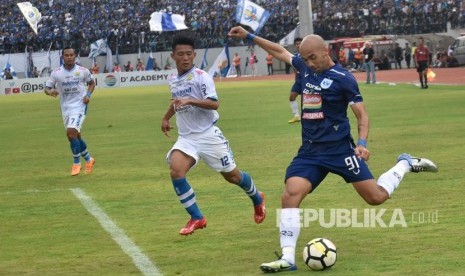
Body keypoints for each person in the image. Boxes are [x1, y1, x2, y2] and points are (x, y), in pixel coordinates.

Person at [228, 26, 438, 273]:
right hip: (310, 152)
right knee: (290, 195)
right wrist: (250, 37)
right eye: (304, 59)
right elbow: (279, 51)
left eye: (312, 57)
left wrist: (362, 144)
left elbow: (361, 115)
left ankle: (404, 163)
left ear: (325, 51)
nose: (308, 63)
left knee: (376, 198)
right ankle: (287, 258)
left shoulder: (344, 78)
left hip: (340, 151)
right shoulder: (305, 67)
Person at [160, 33, 266, 236]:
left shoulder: (202, 77)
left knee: (233, 177)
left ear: (194, 55)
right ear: (173, 56)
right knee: (176, 170)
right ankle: (197, 217)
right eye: (180, 54)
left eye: (189, 54)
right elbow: (176, 101)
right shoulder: (173, 78)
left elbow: (214, 103)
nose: (185, 58)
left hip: (208, 135)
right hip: (187, 138)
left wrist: (191, 100)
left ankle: (257, 198)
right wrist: (166, 118)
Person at [44, 47, 96, 176]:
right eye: (66, 55)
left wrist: (88, 95)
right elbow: (46, 88)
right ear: (62, 57)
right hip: (65, 108)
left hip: (80, 105)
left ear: (75, 56)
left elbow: (92, 83)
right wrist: (51, 92)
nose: (69, 57)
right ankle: (89, 159)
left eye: (72, 55)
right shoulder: (56, 73)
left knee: (71, 133)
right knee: (76, 136)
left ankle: (76, 163)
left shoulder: (82, 71)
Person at [288, 37, 303, 124]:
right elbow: (294, 69)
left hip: (306, 79)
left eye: (300, 43)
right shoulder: (294, 56)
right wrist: (296, 79)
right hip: (298, 80)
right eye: (297, 44)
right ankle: (296, 116)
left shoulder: (307, 54)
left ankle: (307, 117)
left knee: (306, 101)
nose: (298, 45)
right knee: (292, 97)